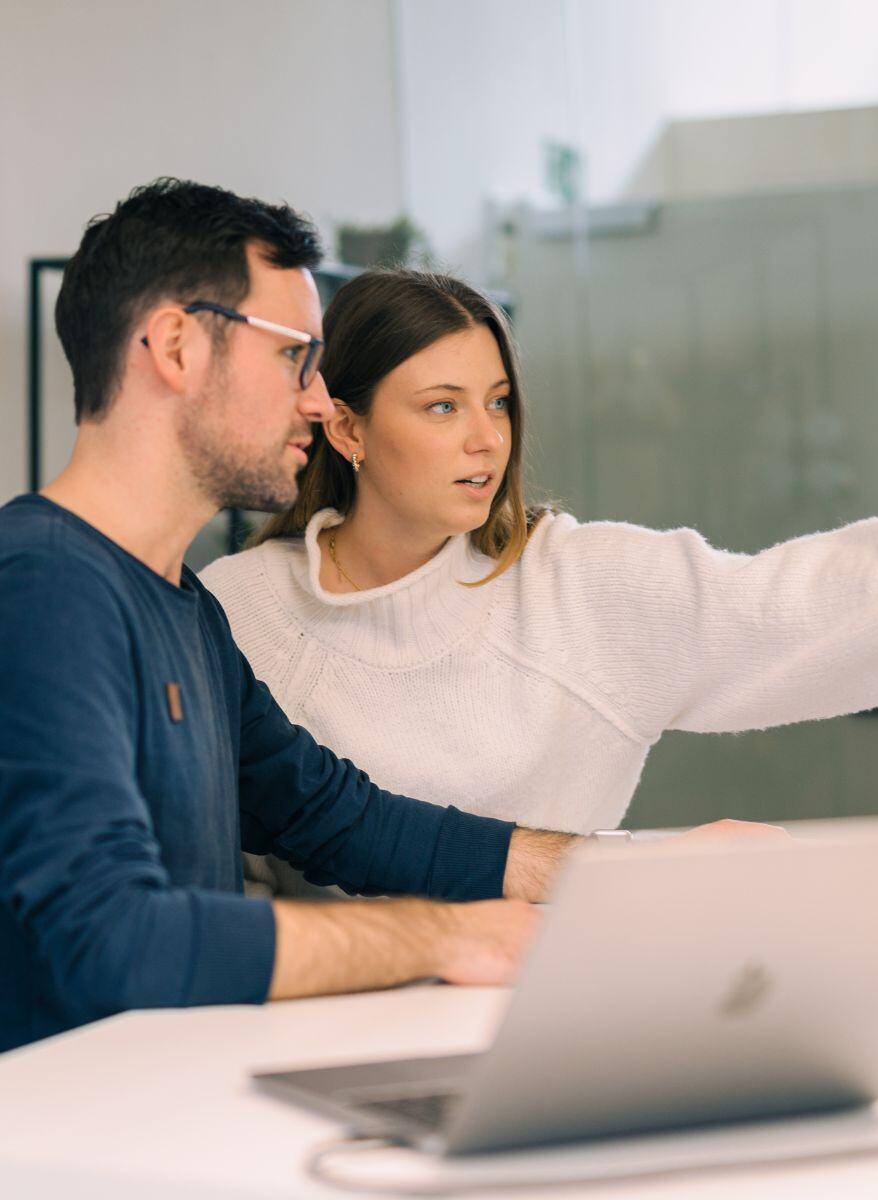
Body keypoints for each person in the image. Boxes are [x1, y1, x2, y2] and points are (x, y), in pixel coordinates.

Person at [1, 180, 759, 1055]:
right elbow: (112, 940)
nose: (320, 403)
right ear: (176, 347)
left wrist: (624, 865)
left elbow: (341, 819)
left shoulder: (184, 610)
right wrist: (446, 936)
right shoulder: (42, 590)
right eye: (294, 358)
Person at [199, 268, 878, 901]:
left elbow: (781, 606)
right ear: (346, 427)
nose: (487, 439)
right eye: (442, 408)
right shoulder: (240, 612)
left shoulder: (570, 585)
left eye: (499, 403)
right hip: (317, 1039)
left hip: (560, 1011)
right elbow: (219, 893)